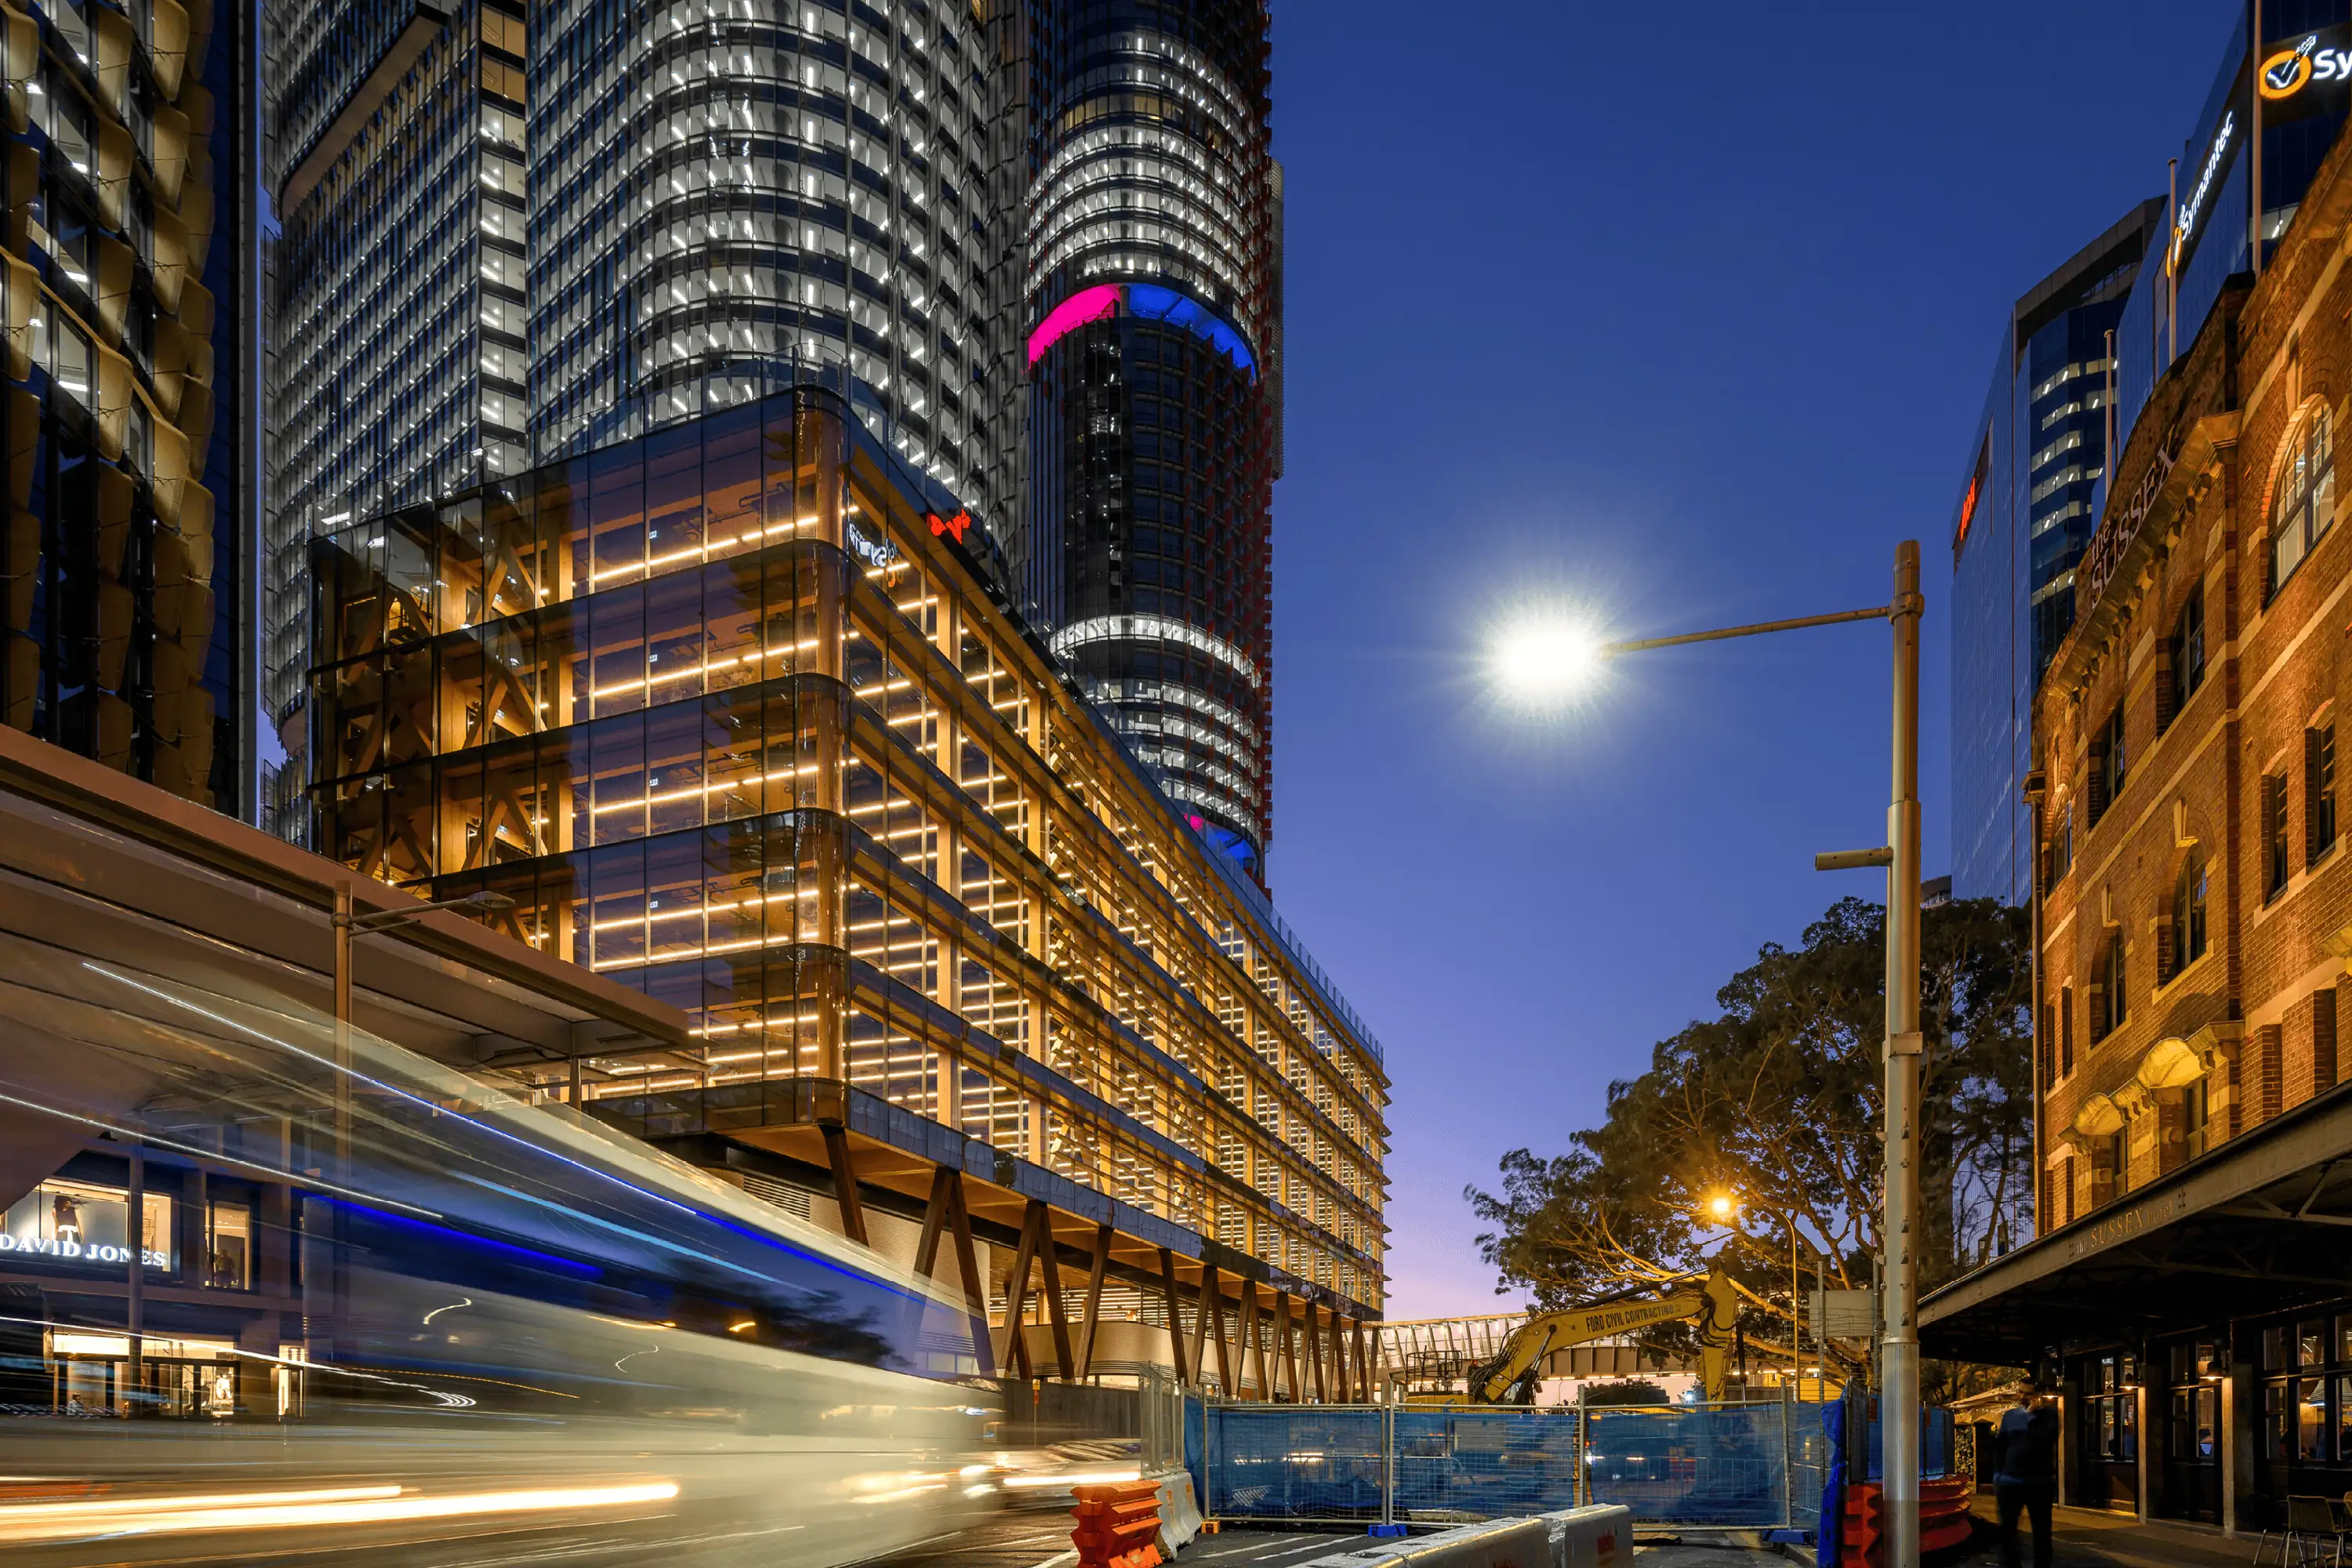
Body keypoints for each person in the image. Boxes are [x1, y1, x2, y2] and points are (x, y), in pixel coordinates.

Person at [1992, 1380, 2059, 1568]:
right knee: (2007, 1531)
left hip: (2039, 1484)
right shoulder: (2010, 1416)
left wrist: (2031, 1415)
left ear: (2038, 1396)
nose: (2022, 1397)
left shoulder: (2050, 1416)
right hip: (2010, 1483)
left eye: (2028, 1394)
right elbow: (2001, 1447)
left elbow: (2046, 1439)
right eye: (2020, 1392)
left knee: (2042, 1532)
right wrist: (1997, 1474)